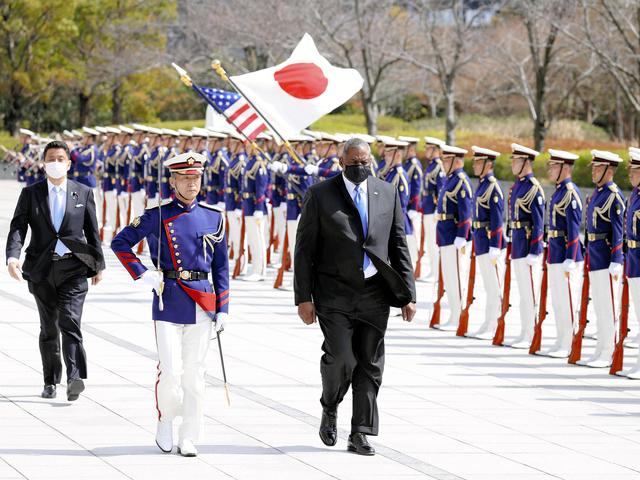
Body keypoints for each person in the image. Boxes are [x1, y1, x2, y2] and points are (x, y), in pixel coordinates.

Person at [294, 137, 416, 456]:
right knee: (341, 359)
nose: (360, 168)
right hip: (334, 292)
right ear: (341, 164)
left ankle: (361, 431)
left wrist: (407, 294)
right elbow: (304, 250)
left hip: (375, 292)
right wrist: (303, 298)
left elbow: (398, 244)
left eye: (365, 163)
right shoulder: (320, 194)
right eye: (353, 164)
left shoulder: (387, 192)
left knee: (370, 363)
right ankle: (330, 405)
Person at [111, 151, 229, 457]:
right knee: (171, 371)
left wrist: (224, 308)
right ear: (173, 180)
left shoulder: (213, 217)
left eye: (197, 178)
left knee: (195, 374)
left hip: (202, 301)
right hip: (169, 296)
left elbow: (220, 268)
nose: (192, 184)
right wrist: (143, 274)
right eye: (185, 178)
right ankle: (165, 418)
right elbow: (120, 243)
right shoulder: (157, 215)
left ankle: (189, 434)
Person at [5, 140, 105, 401]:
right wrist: (12, 258)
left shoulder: (82, 193)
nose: (56, 163)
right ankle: (50, 380)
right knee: (49, 327)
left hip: (74, 268)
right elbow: (18, 227)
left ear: (69, 163)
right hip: (41, 269)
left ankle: (74, 378)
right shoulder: (31, 193)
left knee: (70, 322)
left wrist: (98, 265)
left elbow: (93, 232)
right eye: (52, 158)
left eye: (61, 158)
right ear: (43, 163)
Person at [576, 150, 625, 368]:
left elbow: (618, 230)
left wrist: (617, 258)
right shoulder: (597, 194)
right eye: (594, 168)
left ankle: (608, 352)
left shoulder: (613, 195)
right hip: (595, 254)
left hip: (606, 256)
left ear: (609, 170)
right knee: (599, 306)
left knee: (608, 307)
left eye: (598, 168)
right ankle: (600, 349)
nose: (594, 172)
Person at [538, 149, 584, 358]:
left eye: (554, 166)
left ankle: (568, 343)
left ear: (565, 168)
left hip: (566, 255)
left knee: (567, 300)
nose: (550, 170)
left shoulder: (570, 193)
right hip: (555, 252)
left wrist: (571, 256)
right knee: (557, 300)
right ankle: (560, 339)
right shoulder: (559, 191)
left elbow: (574, 229)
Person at [505, 143, 545, 349]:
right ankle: (524, 330)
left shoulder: (533, 188)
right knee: (522, 292)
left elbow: (539, 222)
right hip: (519, 244)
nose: (513, 164)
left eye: (516, 161)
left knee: (529, 293)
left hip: (528, 246)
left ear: (526, 163)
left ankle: (531, 333)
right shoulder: (518, 186)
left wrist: (535, 250)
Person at [468, 146, 505, 339]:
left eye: (478, 162)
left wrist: (495, 245)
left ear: (488, 164)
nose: (474, 165)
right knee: (488, 286)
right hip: (481, 240)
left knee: (494, 287)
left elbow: (498, 219)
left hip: (491, 242)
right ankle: (488, 322)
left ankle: (494, 324)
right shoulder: (482, 184)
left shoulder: (492, 187)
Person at [434, 144, 472, 331]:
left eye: (447, 159)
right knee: (449, 277)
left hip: (455, 237)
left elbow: (466, 212)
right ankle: (453, 313)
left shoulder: (461, 181)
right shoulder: (450, 180)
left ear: (457, 161)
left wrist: (462, 235)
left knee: (457, 278)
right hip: (445, 234)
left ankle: (459, 316)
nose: (443, 162)